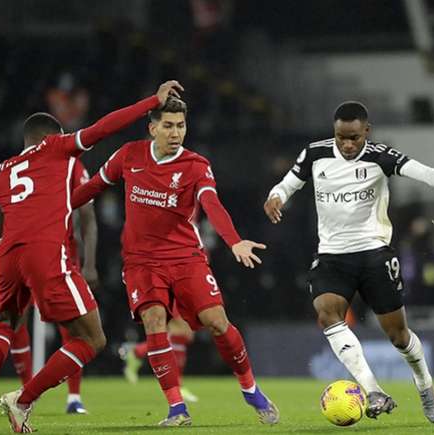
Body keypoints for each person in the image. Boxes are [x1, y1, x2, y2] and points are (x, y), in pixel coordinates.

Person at [0, 80, 182, 433]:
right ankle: (23, 399)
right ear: (52, 136)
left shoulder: (1, 169)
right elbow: (105, 126)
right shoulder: (58, 149)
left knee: (6, 323)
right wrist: (151, 102)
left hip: (6, 257)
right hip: (45, 254)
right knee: (93, 339)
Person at [263, 101, 434, 424]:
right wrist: (276, 196)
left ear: (366, 131)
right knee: (327, 313)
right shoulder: (315, 154)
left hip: (375, 254)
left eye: (354, 137)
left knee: (399, 337)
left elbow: (421, 171)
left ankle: (425, 386)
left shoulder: (380, 156)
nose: (347, 145)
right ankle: (373, 390)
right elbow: (289, 182)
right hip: (332, 256)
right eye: (341, 137)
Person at [70, 97, 279, 427]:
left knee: (216, 322)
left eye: (180, 125)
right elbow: (93, 186)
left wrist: (233, 240)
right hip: (141, 262)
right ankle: (176, 408)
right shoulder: (129, 155)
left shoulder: (196, 165)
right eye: (168, 125)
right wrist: (57, 208)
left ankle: (250, 388)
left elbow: (211, 203)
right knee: (155, 323)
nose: (175, 132)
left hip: (185, 257)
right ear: (152, 127)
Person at [0, 154, 99, 414]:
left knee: (13, 321)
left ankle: (64, 396)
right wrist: (90, 263)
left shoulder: (17, 165)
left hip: (27, 256)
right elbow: (88, 216)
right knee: (81, 331)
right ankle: (28, 393)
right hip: (52, 257)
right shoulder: (68, 163)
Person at [120, 309, 200, 403]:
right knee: (180, 332)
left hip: (185, 298)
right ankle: (177, 386)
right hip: (175, 298)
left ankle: (137, 351)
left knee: (184, 336)